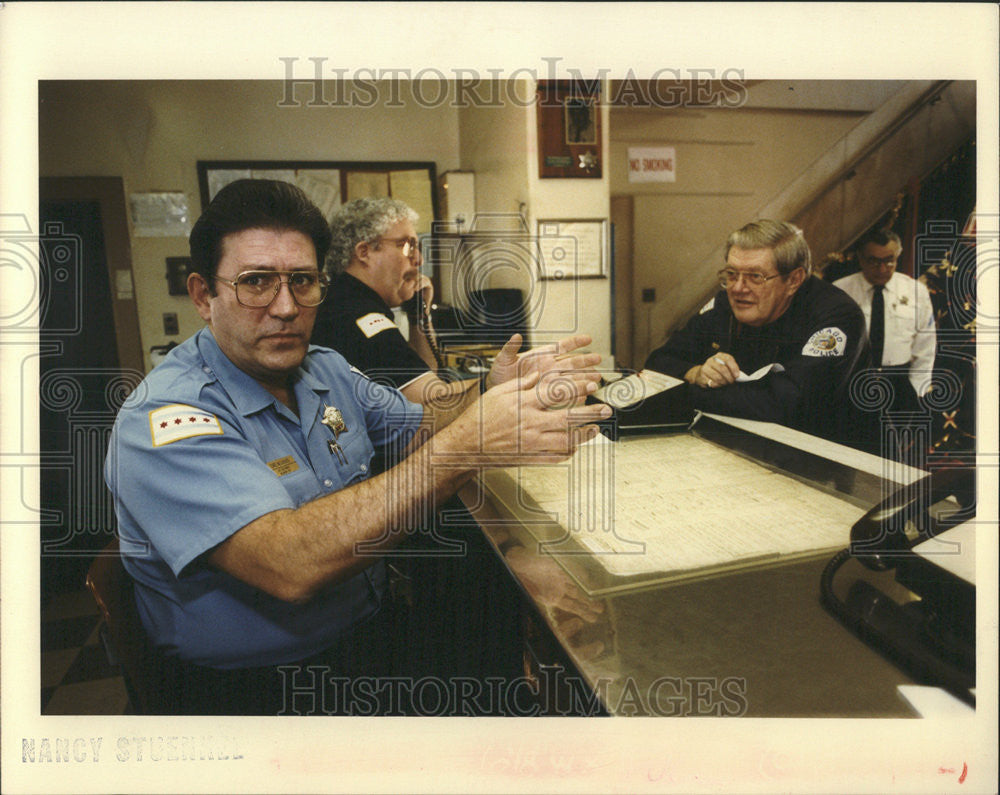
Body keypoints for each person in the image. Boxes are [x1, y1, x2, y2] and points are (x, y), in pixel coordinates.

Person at [103, 179, 609, 715]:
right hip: (251, 688)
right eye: (256, 283)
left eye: (302, 281)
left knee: (514, 685)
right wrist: (469, 446)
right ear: (204, 295)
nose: (285, 306)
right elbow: (289, 563)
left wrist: (490, 389)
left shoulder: (322, 368)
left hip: (364, 637)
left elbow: (418, 424)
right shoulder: (168, 418)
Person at [312, 196, 605, 702]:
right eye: (405, 244)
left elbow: (421, 380)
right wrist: (494, 392)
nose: (416, 256)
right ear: (364, 251)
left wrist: (420, 315)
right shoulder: (359, 314)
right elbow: (435, 405)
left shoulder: (371, 310)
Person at [644, 219, 872, 446]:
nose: (738, 288)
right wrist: (696, 374)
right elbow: (657, 362)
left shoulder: (837, 316)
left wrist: (688, 392)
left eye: (755, 277)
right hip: (744, 440)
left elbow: (784, 407)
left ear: (794, 280)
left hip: (832, 457)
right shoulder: (726, 303)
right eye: (732, 274)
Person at [833, 228, 936, 411]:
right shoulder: (840, 292)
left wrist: (918, 389)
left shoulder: (915, 291)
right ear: (861, 258)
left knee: (895, 439)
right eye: (873, 261)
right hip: (850, 381)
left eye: (889, 261)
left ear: (897, 257)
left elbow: (925, 345)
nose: (882, 269)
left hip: (899, 383)